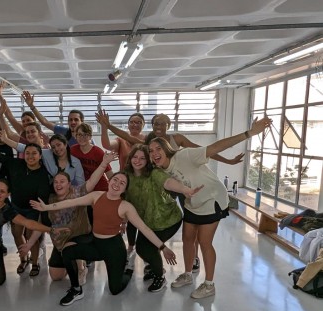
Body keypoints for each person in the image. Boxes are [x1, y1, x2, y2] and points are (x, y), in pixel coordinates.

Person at [98, 109, 244, 273]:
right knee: (159, 214)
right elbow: (129, 138)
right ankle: (150, 254)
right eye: (155, 123)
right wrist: (108, 126)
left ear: (168, 125)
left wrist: (228, 161)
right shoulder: (151, 142)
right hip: (165, 183)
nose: (158, 126)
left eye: (162, 123)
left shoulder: (177, 139)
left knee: (193, 223)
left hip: (182, 185)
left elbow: (202, 149)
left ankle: (194, 257)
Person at [149, 116, 273, 299]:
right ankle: (188, 274)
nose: (154, 153)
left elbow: (216, 147)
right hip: (193, 202)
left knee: (205, 242)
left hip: (212, 200)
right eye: (151, 151)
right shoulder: (160, 170)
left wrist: (250, 133)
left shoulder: (185, 155)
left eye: (158, 148)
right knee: (188, 239)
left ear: (166, 149)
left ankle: (209, 285)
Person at [31, 172, 177, 306]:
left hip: (113, 248)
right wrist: (46, 208)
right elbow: (71, 202)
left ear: (124, 189)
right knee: (67, 251)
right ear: (109, 180)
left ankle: (128, 271)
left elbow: (144, 229)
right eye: (115, 179)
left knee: (115, 289)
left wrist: (163, 248)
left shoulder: (125, 207)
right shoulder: (96, 196)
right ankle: (76, 289)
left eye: (122, 183)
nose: (117, 184)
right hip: (95, 244)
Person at [20, 152, 116, 284]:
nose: (58, 184)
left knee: (72, 252)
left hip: (79, 238)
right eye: (56, 182)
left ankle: (81, 265)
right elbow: (41, 223)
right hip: (60, 241)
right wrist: (29, 244)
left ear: (69, 184)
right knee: (56, 276)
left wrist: (104, 163)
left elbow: (93, 180)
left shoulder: (78, 192)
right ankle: (68, 262)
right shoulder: (49, 200)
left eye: (62, 181)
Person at [124, 144, 202, 292]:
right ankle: (156, 269)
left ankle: (160, 276)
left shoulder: (154, 173)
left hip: (167, 220)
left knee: (148, 248)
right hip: (147, 223)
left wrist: (184, 189)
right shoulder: (127, 175)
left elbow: (168, 182)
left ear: (148, 161)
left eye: (142, 158)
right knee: (143, 249)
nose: (138, 161)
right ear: (130, 158)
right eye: (135, 157)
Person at [0, 142, 52, 277]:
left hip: (33, 210)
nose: (30, 156)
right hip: (16, 207)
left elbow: (43, 197)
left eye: (34, 153)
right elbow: (1, 159)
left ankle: (35, 263)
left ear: (40, 156)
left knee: (31, 237)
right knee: (16, 233)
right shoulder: (15, 164)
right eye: (27, 153)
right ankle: (23, 259)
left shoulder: (43, 174)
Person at [97, 111, 146, 258]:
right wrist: (104, 127)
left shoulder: (147, 140)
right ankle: (131, 246)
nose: (135, 124)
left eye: (139, 122)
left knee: (144, 217)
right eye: (132, 122)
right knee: (129, 216)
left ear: (143, 125)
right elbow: (107, 144)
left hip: (144, 184)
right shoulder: (120, 140)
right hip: (127, 184)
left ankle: (146, 248)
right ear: (128, 124)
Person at [0, 131, 85, 186]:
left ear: (65, 144)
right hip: (49, 194)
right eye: (53, 147)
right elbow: (24, 148)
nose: (57, 149)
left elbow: (81, 184)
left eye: (59, 145)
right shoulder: (48, 153)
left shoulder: (76, 162)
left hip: (67, 196)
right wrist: (5, 140)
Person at [70, 122, 113, 191]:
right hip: (83, 187)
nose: (82, 138)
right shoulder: (73, 150)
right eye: (79, 135)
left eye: (85, 135)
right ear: (76, 136)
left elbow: (109, 174)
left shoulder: (98, 152)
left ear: (90, 136)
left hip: (100, 188)